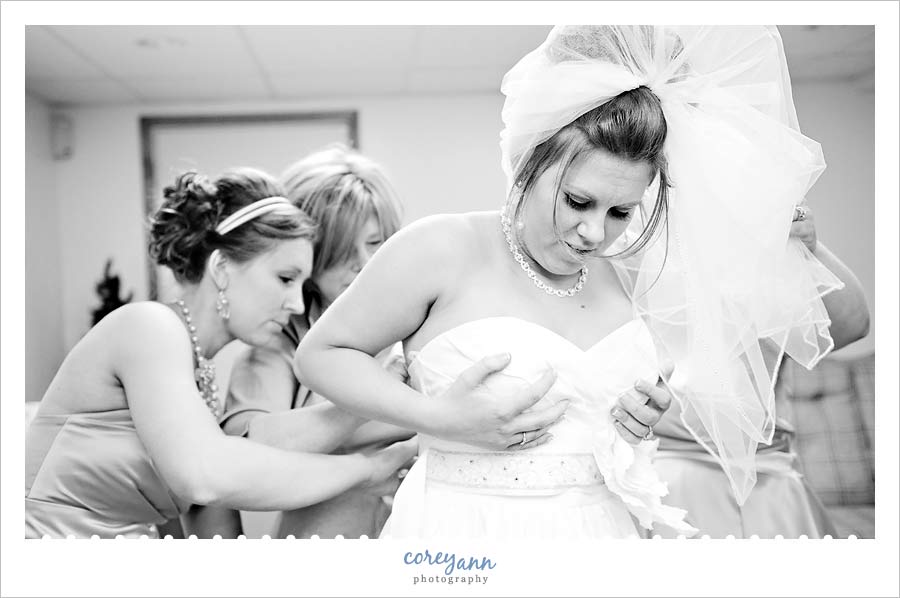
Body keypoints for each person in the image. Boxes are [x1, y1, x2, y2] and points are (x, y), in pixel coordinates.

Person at [296, 25, 849, 540]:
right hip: (464, 529)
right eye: (578, 201)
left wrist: (632, 426)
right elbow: (321, 355)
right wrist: (435, 418)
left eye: (620, 212)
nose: (593, 232)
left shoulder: (631, 277)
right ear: (530, 162)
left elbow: (842, 323)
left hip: (600, 532)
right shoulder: (441, 247)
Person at [24, 168, 417, 538]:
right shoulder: (148, 328)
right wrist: (365, 470)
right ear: (221, 267)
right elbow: (204, 478)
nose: (297, 304)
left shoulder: (198, 376)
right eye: (285, 278)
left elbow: (211, 518)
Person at [213, 146, 414, 539]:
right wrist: (372, 397)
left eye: (374, 243)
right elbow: (244, 453)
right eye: (342, 249)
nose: (363, 264)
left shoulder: (418, 325)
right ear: (310, 256)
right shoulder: (279, 345)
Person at [649, 204, 871, 538]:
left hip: (766, 478)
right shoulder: (642, 266)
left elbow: (852, 325)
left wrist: (811, 249)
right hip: (668, 478)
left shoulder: (762, 271)